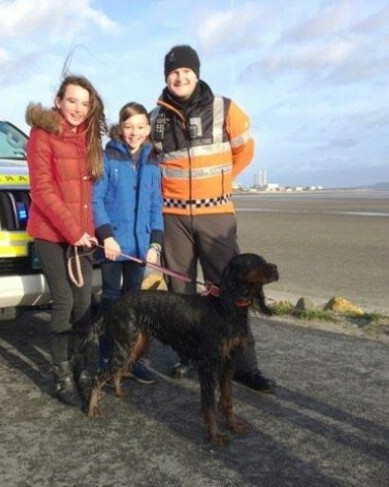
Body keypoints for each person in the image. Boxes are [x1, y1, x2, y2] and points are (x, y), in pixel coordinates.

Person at [150, 45, 276, 393]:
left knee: (231, 291)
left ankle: (244, 366)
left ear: (197, 72)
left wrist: (223, 182)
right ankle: (190, 357)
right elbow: (149, 164)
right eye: (174, 72)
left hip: (216, 214)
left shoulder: (225, 108)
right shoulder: (154, 117)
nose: (180, 77)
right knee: (181, 293)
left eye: (186, 71)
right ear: (166, 77)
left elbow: (245, 149)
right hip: (173, 218)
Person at [25, 75, 106, 408]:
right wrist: (74, 232)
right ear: (58, 100)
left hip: (82, 235)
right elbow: (42, 190)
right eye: (72, 101)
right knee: (63, 302)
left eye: (85, 104)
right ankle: (62, 376)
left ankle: (81, 367)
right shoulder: (42, 135)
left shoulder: (88, 137)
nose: (78, 109)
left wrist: (91, 233)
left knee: (84, 302)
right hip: (50, 233)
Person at [92, 102, 164, 385]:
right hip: (113, 246)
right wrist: (106, 236)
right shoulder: (108, 156)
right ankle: (107, 358)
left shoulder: (152, 160)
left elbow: (156, 206)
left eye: (140, 127)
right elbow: (96, 199)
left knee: (136, 306)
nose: (134, 132)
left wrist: (155, 244)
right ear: (121, 128)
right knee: (111, 301)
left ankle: (133, 360)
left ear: (148, 128)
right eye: (129, 126)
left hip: (140, 247)